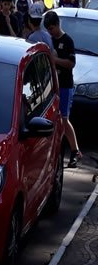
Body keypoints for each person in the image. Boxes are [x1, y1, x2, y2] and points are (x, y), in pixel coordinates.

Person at [43, 11, 82, 168]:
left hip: (65, 85)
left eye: (51, 28)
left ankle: (75, 151)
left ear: (57, 25)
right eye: (48, 29)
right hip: (52, 86)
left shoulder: (67, 41)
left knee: (64, 119)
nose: (50, 32)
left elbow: (71, 63)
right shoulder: (49, 40)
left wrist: (55, 60)